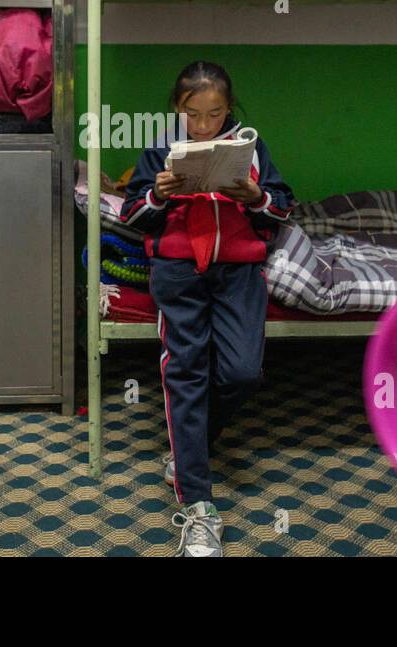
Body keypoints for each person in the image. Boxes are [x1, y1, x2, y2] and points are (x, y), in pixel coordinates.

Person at [118, 61, 294, 556]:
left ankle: (187, 446)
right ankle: (199, 508)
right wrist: (158, 193)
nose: (203, 125)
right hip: (178, 270)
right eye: (193, 115)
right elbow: (133, 215)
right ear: (178, 109)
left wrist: (257, 196)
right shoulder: (159, 151)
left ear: (229, 109)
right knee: (187, 372)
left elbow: (283, 206)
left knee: (242, 372)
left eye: (214, 114)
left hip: (237, 269)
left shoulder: (251, 148)